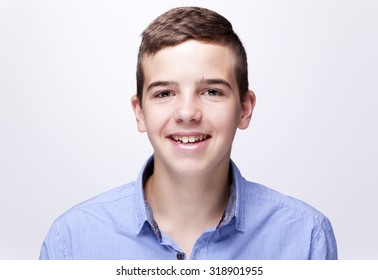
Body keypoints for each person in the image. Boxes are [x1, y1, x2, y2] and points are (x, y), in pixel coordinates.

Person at [40, 6, 337, 260]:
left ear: (244, 109)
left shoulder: (307, 237)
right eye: (164, 93)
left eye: (211, 91)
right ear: (139, 112)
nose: (187, 113)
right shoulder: (71, 242)